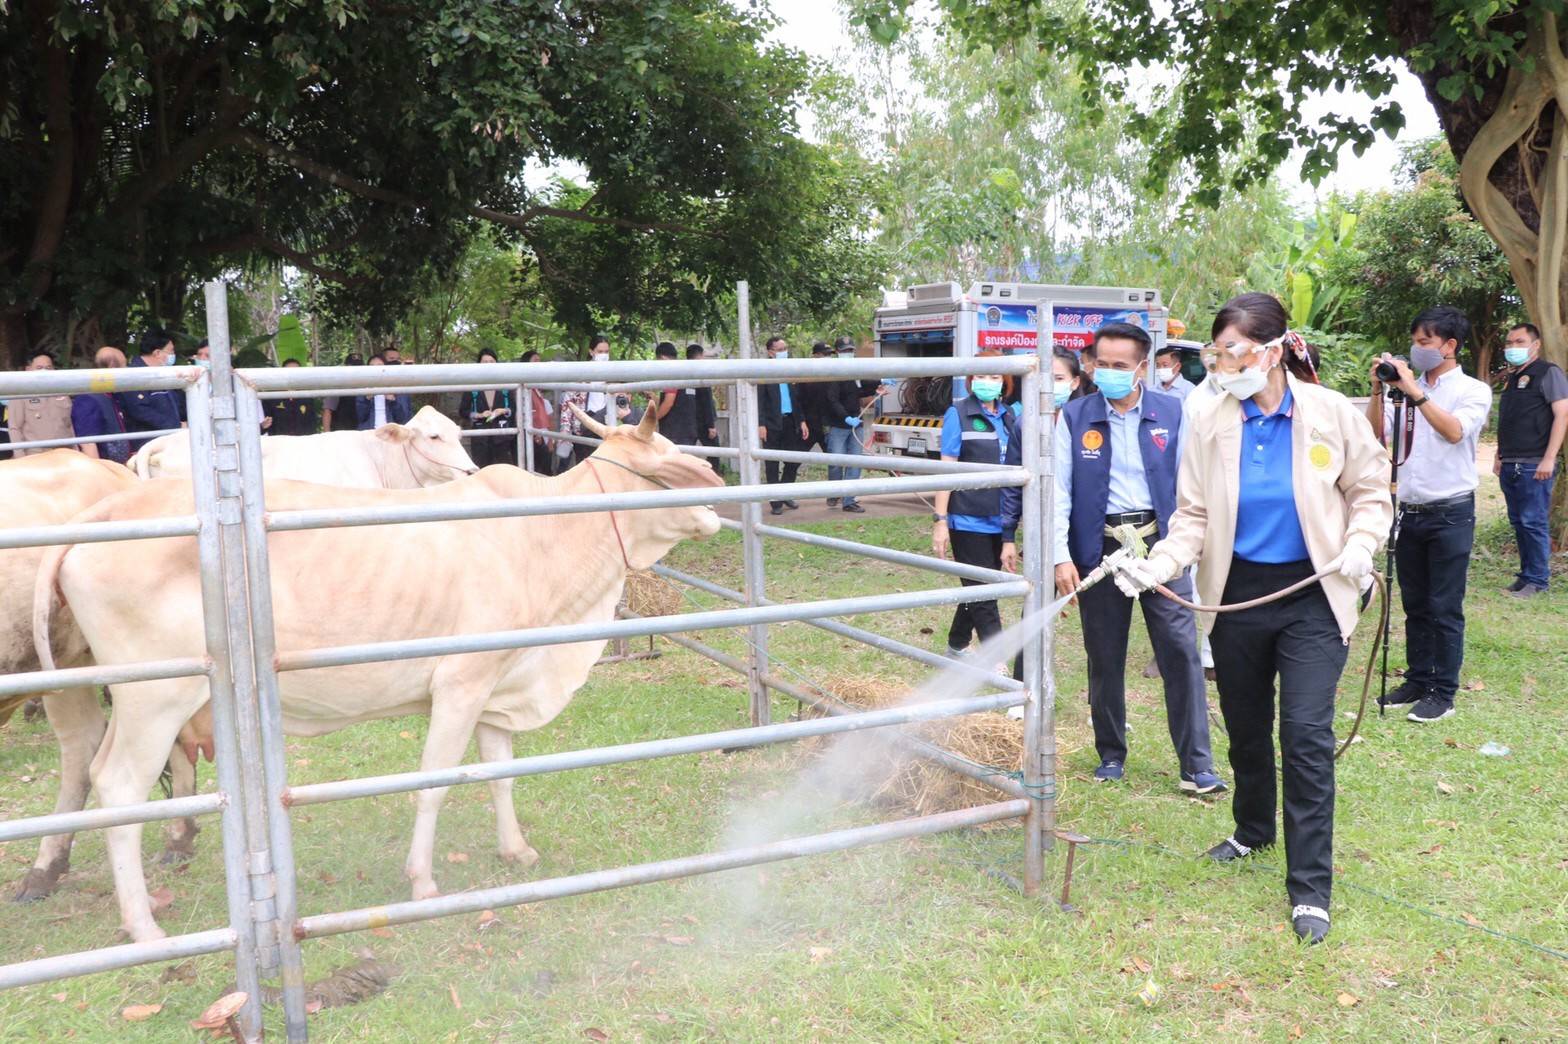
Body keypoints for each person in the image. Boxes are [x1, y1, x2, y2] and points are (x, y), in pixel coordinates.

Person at [1115, 292, 1391, 944]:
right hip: (1238, 594)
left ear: (1272, 351)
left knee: (1303, 734)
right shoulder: (1209, 420)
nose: (1222, 364)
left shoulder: (1329, 412)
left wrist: (1361, 542)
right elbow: (1194, 517)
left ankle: (1310, 890)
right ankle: (1252, 829)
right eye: (1216, 353)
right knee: (1244, 727)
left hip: (1314, 594)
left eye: (1232, 352)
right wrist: (1159, 564)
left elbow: (1370, 490)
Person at [1002, 324, 1223, 794]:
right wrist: (1062, 557)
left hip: (1161, 550)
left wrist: (1185, 550)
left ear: (1143, 367)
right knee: (1104, 656)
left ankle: (1197, 765)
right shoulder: (1076, 416)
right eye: (1101, 364)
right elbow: (1059, 492)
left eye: (1120, 366)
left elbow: (1192, 489)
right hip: (1099, 551)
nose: (1108, 373)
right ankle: (1110, 753)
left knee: (1181, 653)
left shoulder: (1174, 412)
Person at [1365, 306, 1492, 723]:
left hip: (1451, 512)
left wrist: (1415, 394)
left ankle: (1443, 690)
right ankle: (1418, 679)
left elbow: (1454, 431)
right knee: (1416, 604)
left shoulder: (1472, 390)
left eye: (1425, 343)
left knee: (1444, 605)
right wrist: (1378, 392)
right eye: (1414, 343)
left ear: (1449, 346)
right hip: (1410, 512)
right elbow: (1375, 435)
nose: (1416, 351)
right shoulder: (1404, 390)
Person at [932, 350, 1017, 665]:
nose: (986, 382)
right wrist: (940, 519)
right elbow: (947, 470)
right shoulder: (958, 413)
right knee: (983, 593)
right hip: (967, 518)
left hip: (1002, 518)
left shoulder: (1011, 416)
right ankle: (999, 664)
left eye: (994, 376)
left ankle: (956, 645)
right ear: (970, 379)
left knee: (979, 586)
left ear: (1004, 382)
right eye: (980, 375)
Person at [1493, 322, 1566, 597]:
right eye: (1509, 343)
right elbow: (1509, 420)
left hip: (1535, 463)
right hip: (1510, 462)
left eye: (1519, 342)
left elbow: (1563, 415)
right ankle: (1525, 576)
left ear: (1535, 345)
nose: (1513, 347)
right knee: (1519, 521)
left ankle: (1538, 580)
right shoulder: (1513, 377)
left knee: (1533, 521)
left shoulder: (1549, 373)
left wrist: (1549, 458)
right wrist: (1500, 454)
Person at [758, 336, 810, 515]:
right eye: (780, 350)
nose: (784, 352)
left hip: (790, 421)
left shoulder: (789, 370)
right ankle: (776, 501)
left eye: (785, 349)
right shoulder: (763, 371)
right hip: (772, 423)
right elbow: (760, 400)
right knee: (772, 463)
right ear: (770, 352)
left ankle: (785, 493)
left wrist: (802, 420)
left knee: (793, 460)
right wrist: (761, 423)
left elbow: (797, 399)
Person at [117, 328, 184, 449]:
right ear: (157, 353)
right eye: (171, 352)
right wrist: (175, 426)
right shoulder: (134, 376)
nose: (173, 356)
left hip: (167, 440)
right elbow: (140, 411)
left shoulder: (160, 374)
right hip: (146, 445)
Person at [822, 347, 868, 513]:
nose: (849, 353)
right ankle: (835, 492)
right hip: (839, 425)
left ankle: (849, 501)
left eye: (851, 350)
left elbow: (861, 388)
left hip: (857, 424)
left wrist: (880, 383)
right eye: (845, 350)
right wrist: (845, 418)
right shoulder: (834, 373)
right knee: (835, 463)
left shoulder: (854, 370)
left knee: (855, 462)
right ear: (838, 352)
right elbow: (832, 400)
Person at [71, 346, 132, 463]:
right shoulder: (88, 400)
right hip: (105, 470)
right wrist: (98, 474)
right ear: (112, 367)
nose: (127, 370)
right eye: (124, 365)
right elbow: (88, 444)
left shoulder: (111, 396)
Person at [7, 350, 75, 455]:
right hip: (37, 456)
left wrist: (76, 450)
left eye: (48, 368)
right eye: (39, 368)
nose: (44, 371)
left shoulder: (61, 392)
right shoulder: (19, 393)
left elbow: (68, 424)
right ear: (28, 369)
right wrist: (20, 457)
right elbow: (15, 428)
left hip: (65, 453)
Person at [560, 335, 612, 465]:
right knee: (585, 465)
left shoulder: (612, 373)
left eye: (606, 352)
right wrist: (565, 431)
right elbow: (568, 402)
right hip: (583, 426)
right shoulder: (581, 373)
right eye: (600, 352)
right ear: (591, 352)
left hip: (606, 425)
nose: (604, 355)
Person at [462, 348, 518, 467]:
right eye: (485, 362)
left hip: (502, 438)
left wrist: (503, 411)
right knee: (483, 471)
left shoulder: (505, 386)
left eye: (491, 361)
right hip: (480, 439)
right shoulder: (472, 386)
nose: (488, 365)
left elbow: (513, 409)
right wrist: (479, 415)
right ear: (479, 364)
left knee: (504, 471)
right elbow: (463, 411)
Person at [652, 341, 700, 447]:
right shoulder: (685, 372)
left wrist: (653, 419)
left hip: (674, 431)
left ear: (662, 358)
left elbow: (669, 402)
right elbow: (679, 399)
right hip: (689, 429)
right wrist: (654, 398)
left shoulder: (671, 372)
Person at [520, 350, 557, 475]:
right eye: (535, 360)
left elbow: (548, 417)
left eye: (539, 361)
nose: (539, 364)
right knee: (538, 470)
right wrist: (536, 433)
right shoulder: (523, 389)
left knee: (543, 470)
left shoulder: (536, 389)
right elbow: (527, 413)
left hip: (541, 435)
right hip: (535, 436)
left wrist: (550, 439)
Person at [261, 359, 320, 437]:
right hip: (279, 445)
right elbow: (262, 427)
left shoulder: (307, 397)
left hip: (304, 444)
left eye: (296, 372)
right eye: (289, 371)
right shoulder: (271, 397)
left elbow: (313, 424)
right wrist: (263, 426)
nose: (293, 375)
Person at [355, 354, 414, 429]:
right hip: (369, 434)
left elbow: (402, 419)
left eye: (379, 365)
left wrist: (392, 401)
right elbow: (360, 417)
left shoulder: (394, 388)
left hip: (390, 434)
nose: (376, 369)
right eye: (372, 366)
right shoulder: (363, 389)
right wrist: (366, 399)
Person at [688, 344, 722, 473]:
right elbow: (706, 400)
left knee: (687, 452)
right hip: (703, 421)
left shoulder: (683, 372)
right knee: (715, 451)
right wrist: (711, 425)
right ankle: (712, 476)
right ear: (701, 355)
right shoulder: (701, 372)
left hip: (690, 420)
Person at [321, 353, 365, 432]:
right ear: (346, 367)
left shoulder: (368, 385)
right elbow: (327, 411)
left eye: (359, 367)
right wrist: (327, 435)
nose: (355, 370)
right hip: (341, 433)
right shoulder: (338, 386)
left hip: (363, 433)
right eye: (352, 367)